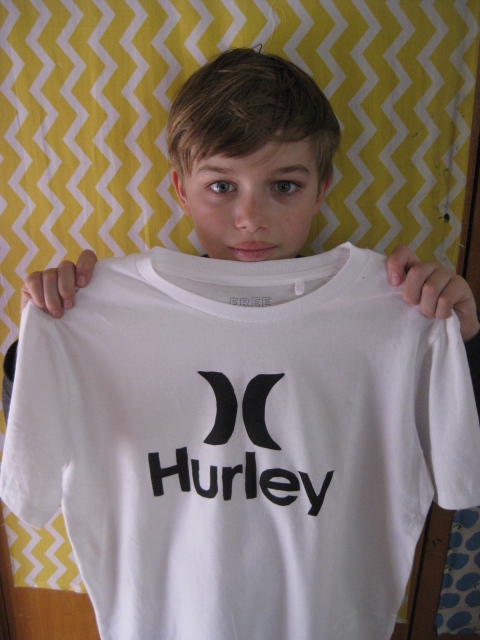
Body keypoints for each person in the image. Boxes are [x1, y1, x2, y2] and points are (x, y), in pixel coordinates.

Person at [1, 47, 480, 640]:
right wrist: (46, 338)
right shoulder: (98, 315)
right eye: (222, 185)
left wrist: (459, 341)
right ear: (181, 190)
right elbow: (35, 448)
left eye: (284, 185)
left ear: (322, 189)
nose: (251, 217)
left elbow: (457, 457)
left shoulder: (398, 311)